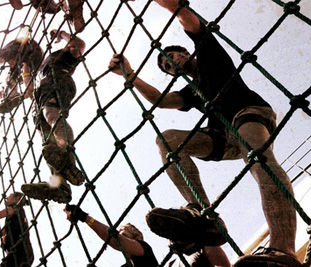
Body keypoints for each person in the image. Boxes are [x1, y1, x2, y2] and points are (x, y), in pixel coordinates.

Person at [109, 1, 300, 266]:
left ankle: (283, 250)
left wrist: (174, 7)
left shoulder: (208, 53)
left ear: (186, 52)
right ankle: (201, 214)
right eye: (166, 65)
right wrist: (129, 74)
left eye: (173, 56)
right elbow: (161, 101)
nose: (171, 63)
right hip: (221, 135)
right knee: (167, 140)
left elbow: (191, 22)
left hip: (248, 113)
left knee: (258, 160)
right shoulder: (192, 91)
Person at [21, 29, 85, 203]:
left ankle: (67, 158)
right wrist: (25, 69)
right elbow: (28, 91)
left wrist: (61, 33)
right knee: (48, 142)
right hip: (41, 97)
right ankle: (60, 185)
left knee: (53, 115)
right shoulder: (40, 71)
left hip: (58, 82)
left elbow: (79, 45)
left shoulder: (58, 56)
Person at [64, 204, 158, 267]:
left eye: (124, 234)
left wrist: (84, 217)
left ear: (137, 237)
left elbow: (117, 242)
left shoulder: (145, 250)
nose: (119, 236)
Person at [0, 192, 34, 267]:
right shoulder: (16, 217)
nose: (6, 198)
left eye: (9, 196)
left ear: (16, 198)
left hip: (18, 253)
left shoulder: (14, 208)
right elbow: (0, 233)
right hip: (25, 254)